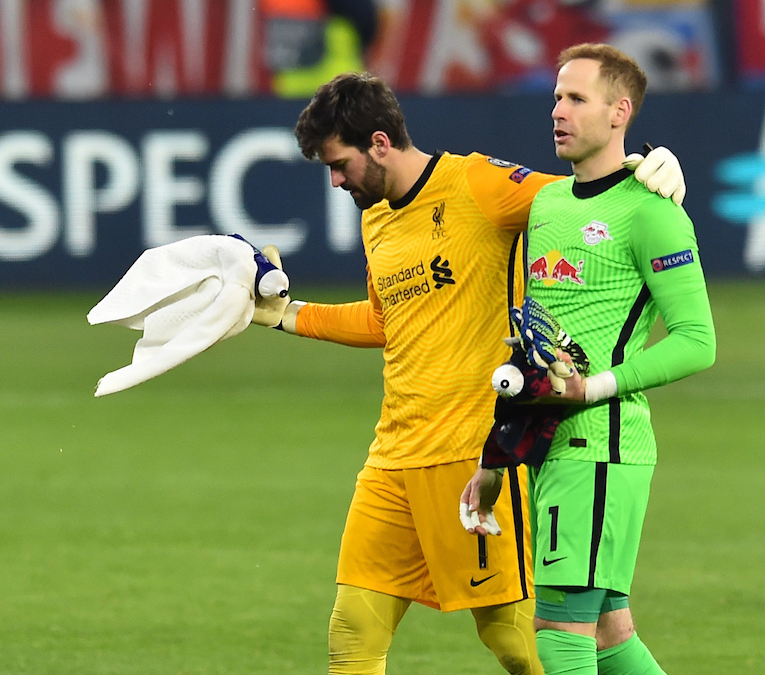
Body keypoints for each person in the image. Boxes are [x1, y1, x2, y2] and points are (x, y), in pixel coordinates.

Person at [249, 71, 686, 675]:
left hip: (478, 454)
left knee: (523, 643)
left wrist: (647, 168)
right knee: (352, 632)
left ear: (379, 143)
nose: (335, 180)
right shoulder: (375, 218)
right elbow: (386, 320)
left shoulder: (478, 184)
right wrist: (287, 316)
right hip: (393, 458)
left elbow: (585, 198)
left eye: (339, 163)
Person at [461, 44, 716, 675]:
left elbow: (697, 340)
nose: (558, 110)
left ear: (619, 112)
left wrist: (594, 387)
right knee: (607, 633)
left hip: (600, 446)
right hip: (556, 446)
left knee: (558, 630)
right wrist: (497, 459)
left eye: (576, 98)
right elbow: (539, 351)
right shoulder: (547, 205)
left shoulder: (651, 211)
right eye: (556, 97)